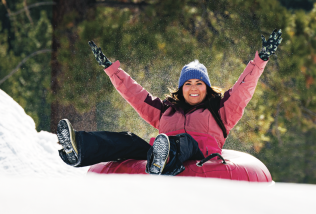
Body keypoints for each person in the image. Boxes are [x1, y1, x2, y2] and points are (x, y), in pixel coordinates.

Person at [57, 29, 282, 175]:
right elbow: (135, 94)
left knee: (185, 141)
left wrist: (260, 60)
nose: (193, 88)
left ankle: (165, 156)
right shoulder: (166, 110)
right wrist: (111, 69)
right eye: (188, 84)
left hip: (198, 155)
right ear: (181, 88)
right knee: (130, 140)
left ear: (207, 87)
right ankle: (79, 147)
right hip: (160, 150)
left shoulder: (220, 109)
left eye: (199, 83)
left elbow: (244, 89)